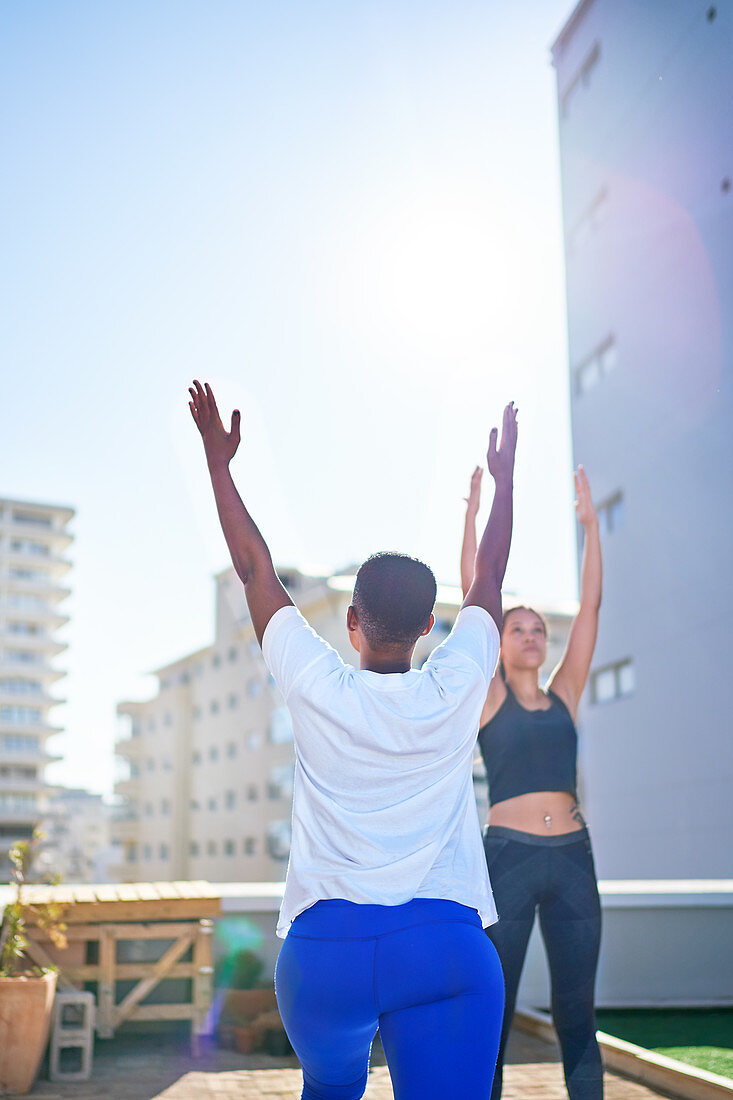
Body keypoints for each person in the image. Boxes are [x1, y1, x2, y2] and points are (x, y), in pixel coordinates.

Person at [188, 380, 517, 1100]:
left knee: (329, 1091)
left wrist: (220, 464)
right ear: (431, 627)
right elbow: (490, 577)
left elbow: (254, 569)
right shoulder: (454, 683)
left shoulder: (318, 686)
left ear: (352, 624)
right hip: (445, 951)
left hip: (324, 957)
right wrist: (505, 479)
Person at [461, 463, 604, 1100]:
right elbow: (474, 593)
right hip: (508, 862)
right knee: (493, 1016)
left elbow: (593, 603)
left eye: (539, 628)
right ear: (499, 643)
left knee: (577, 1018)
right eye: (516, 627)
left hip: (573, 860)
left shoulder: (566, 693)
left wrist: (592, 527)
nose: (529, 634)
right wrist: (470, 516)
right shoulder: (490, 698)